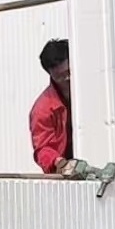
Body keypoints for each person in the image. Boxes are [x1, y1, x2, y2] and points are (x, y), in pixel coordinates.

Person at [30, 39, 72, 174]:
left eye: (69, 72)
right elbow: (42, 148)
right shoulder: (42, 109)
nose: (67, 78)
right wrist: (58, 162)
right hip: (67, 176)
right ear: (50, 73)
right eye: (60, 76)